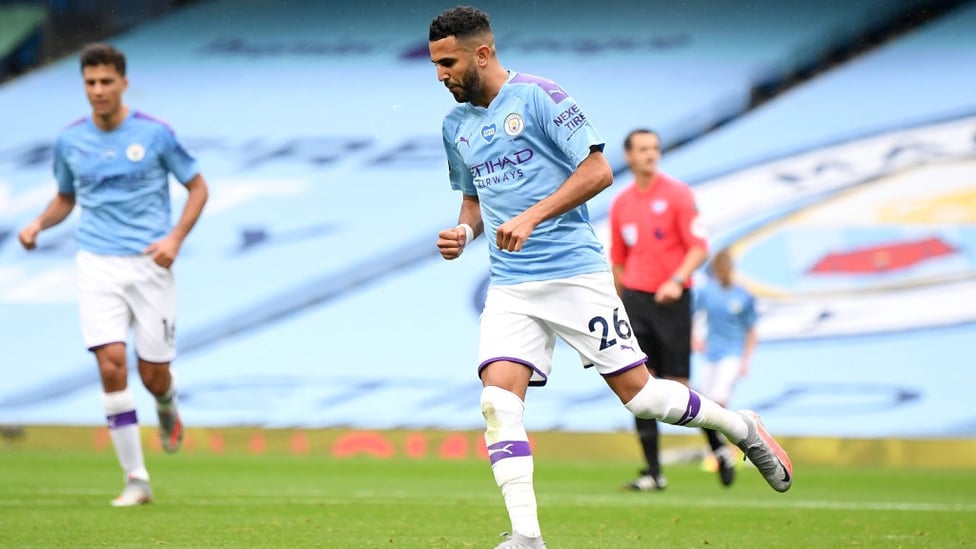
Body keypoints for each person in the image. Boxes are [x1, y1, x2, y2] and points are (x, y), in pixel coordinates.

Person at [429, 7, 792, 548]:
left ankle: (740, 427)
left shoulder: (540, 98)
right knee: (497, 401)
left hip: (574, 275)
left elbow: (598, 170)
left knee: (642, 398)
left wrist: (532, 215)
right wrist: (463, 232)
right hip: (510, 285)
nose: (441, 75)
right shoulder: (455, 125)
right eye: (435, 65)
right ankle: (527, 536)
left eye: (448, 62)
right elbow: (473, 200)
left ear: (482, 53)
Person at [18, 43, 208, 507]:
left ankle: (166, 406)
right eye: (90, 83)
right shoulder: (70, 141)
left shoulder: (156, 135)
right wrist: (39, 223)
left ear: (123, 83)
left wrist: (175, 239)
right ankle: (136, 479)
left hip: (149, 263)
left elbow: (198, 187)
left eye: (106, 82)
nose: (98, 91)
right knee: (109, 364)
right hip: (96, 262)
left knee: (153, 375)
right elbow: (66, 196)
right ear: (83, 86)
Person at [608, 128, 736, 491]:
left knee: (678, 386)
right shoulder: (622, 203)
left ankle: (718, 447)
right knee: (638, 385)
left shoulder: (678, 195)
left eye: (655, 148)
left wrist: (677, 279)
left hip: (673, 300)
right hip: (635, 300)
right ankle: (653, 473)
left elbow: (699, 247)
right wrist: (618, 303)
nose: (651, 154)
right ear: (629, 156)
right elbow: (618, 259)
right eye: (643, 149)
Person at [693, 248, 758, 414]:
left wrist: (746, 360)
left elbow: (751, 330)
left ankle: (724, 437)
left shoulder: (743, 295)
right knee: (704, 402)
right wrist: (693, 339)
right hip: (711, 352)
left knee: (720, 398)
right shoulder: (707, 292)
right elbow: (692, 315)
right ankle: (716, 440)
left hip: (733, 353)